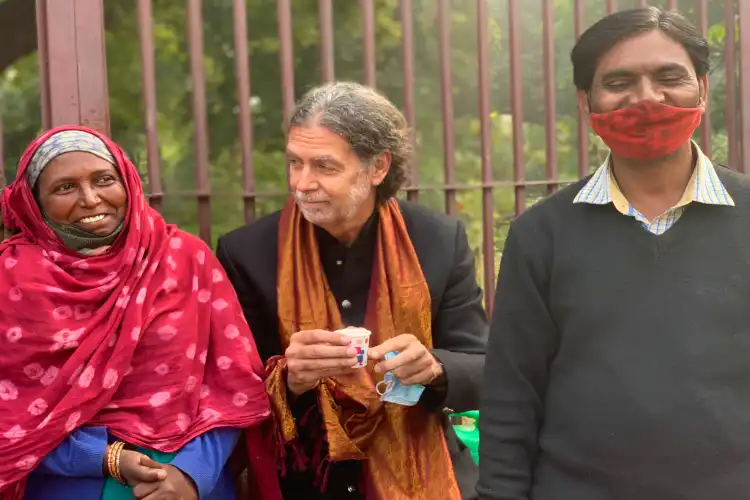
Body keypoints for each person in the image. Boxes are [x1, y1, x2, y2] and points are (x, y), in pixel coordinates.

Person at [477, 6, 750, 500]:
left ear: (703, 90)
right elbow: (511, 398)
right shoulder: (541, 234)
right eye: (620, 81)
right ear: (587, 103)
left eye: (670, 77)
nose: (647, 98)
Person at [216, 81, 487, 500]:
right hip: (306, 482)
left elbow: (484, 367)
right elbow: (227, 389)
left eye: (324, 166)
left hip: (427, 473)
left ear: (378, 167)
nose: (302, 184)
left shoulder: (436, 240)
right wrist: (289, 379)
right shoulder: (247, 252)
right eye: (294, 163)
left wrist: (434, 366)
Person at [0, 126, 279, 500]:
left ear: (127, 182)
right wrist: (104, 458)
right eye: (64, 187)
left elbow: (234, 386)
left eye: (104, 179)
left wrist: (192, 475)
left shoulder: (183, 259)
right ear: (35, 203)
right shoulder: (11, 280)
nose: (90, 198)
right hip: (68, 487)